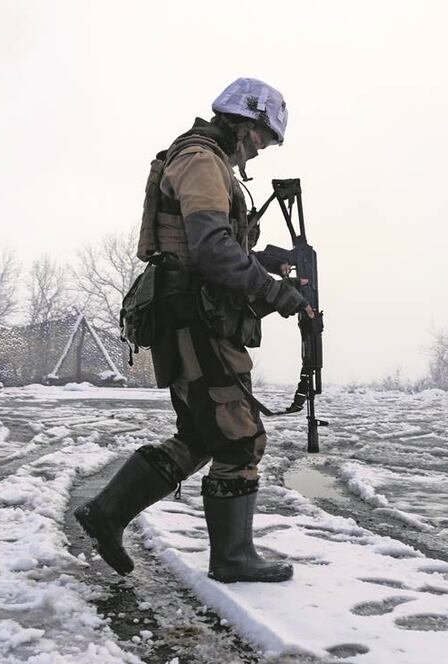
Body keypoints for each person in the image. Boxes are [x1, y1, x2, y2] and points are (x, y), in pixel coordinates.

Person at [74, 78, 311, 584]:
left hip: (194, 316)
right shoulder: (203, 160)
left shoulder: (206, 161)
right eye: (265, 137)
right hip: (195, 319)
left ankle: (108, 513)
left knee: (203, 435)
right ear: (246, 123)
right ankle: (232, 558)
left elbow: (213, 243)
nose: (264, 149)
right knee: (239, 439)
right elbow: (210, 250)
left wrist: (268, 261)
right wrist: (273, 292)